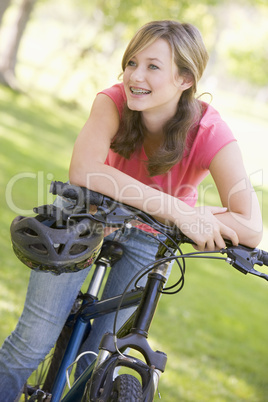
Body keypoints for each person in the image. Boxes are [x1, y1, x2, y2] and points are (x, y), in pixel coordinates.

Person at [0, 20, 262, 400]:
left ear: (185, 79)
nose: (134, 76)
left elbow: (251, 225)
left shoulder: (209, 131)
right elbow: (85, 169)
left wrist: (190, 215)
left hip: (150, 234)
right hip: (87, 212)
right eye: (132, 63)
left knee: (97, 356)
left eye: (153, 66)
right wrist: (176, 207)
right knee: (32, 340)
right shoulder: (112, 100)